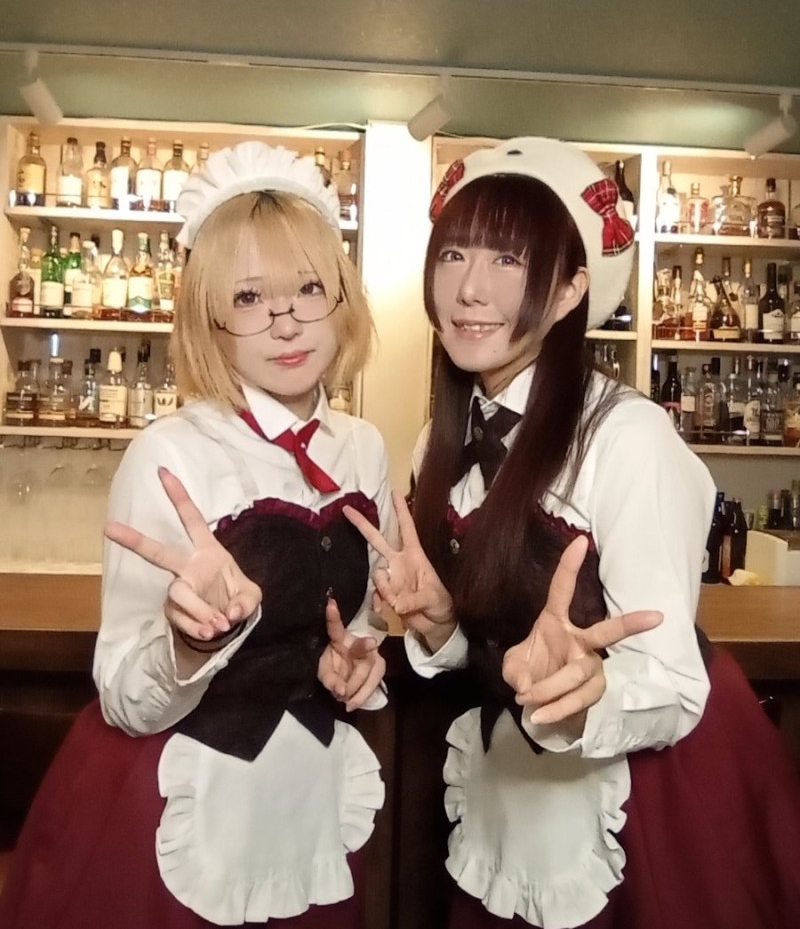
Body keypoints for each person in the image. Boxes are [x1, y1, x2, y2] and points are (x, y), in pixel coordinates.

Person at [345, 137, 800, 929]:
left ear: (567, 292)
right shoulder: (436, 444)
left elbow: (671, 680)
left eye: (508, 260)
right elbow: (491, 652)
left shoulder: (627, 439)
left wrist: (587, 696)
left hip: (649, 798)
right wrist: (444, 626)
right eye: (453, 254)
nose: (470, 289)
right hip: (512, 784)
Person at [0, 141, 394, 929]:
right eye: (248, 297)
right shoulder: (171, 454)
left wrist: (360, 656)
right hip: (174, 804)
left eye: (308, 288)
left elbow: (356, 621)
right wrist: (187, 644)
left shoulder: (364, 448)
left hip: (306, 803)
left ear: (342, 299)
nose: (285, 319)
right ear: (208, 319)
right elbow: (123, 694)